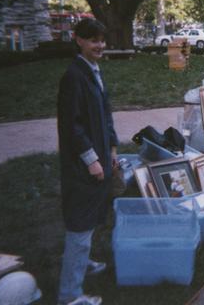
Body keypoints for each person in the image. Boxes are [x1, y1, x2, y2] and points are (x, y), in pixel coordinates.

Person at [57, 19, 119, 305]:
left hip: (101, 158)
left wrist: (114, 147)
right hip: (82, 166)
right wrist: (92, 160)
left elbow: (105, 114)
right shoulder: (73, 76)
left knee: (93, 217)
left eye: (102, 40)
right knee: (79, 226)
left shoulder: (93, 71)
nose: (100, 46)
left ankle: (84, 263)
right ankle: (70, 294)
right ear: (78, 40)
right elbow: (73, 126)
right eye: (93, 40)